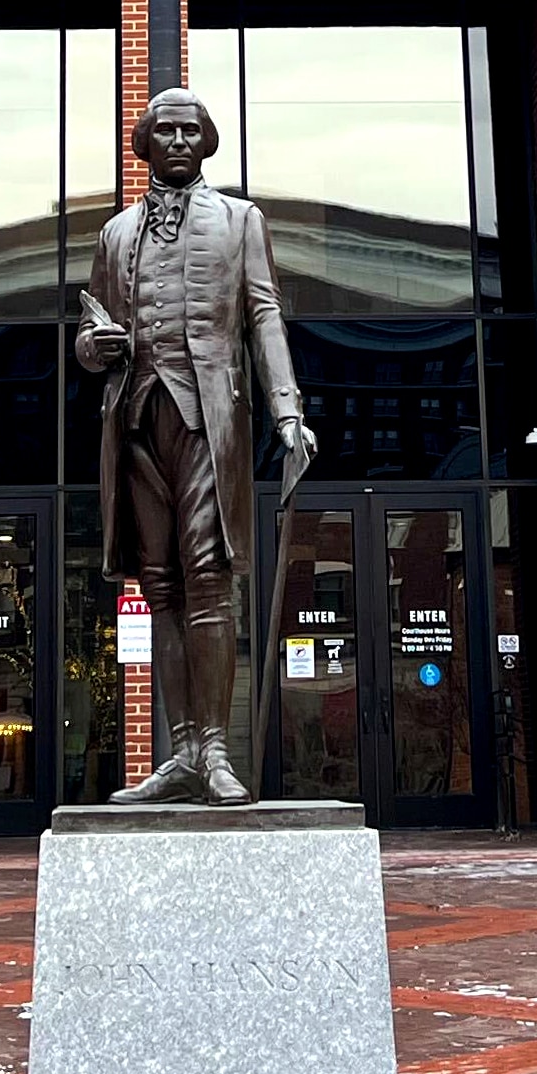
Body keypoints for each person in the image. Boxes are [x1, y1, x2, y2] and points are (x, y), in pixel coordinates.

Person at [76, 86, 314, 804]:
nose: (179, 140)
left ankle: (214, 749)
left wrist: (287, 411)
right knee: (161, 583)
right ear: (144, 142)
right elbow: (87, 337)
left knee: (209, 576)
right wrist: (97, 345)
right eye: (165, 130)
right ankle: (180, 749)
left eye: (191, 130)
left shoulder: (242, 221)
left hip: (211, 420)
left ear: (206, 141)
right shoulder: (115, 234)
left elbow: (264, 316)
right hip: (138, 419)